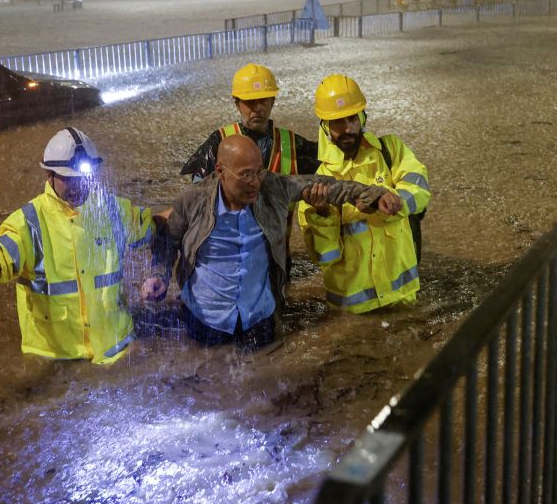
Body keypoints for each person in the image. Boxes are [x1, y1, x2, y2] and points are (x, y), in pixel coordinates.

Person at [157, 134, 399, 349]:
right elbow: (168, 240)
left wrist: (374, 195)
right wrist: (159, 275)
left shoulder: (272, 187)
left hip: (258, 318)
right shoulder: (192, 201)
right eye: (246, 174)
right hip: (205, 318)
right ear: (220, 171)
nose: (255, 182)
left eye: (258, 171)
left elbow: (329, 185)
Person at [0, 128, 162, 364]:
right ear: (48, 175)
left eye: (84, 177)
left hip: (117, 352)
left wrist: (195, 204)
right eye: (68, 178)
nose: (78, 186)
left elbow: (154, 226)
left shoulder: (112, 210)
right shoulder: (29, 223)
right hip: (58, 361)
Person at [298, 75, 431, 314]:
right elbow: (325, 258)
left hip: (403, 297)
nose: (347, 128)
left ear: (363, 117)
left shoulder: (391, 150)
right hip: (353, 312)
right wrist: (322, 213)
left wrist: (397, 201)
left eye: (352, 118)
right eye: (337, 122)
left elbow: (420, 189)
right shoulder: (317, 184)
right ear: (325, 126)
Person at [181, 63, 320, 181]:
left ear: (272, 102)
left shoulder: (292, 144)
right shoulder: (219, 141)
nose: (257, 108)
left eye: (263, 100)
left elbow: (329, 159)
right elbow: (197, 192)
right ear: (237, 104)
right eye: (250, 102)